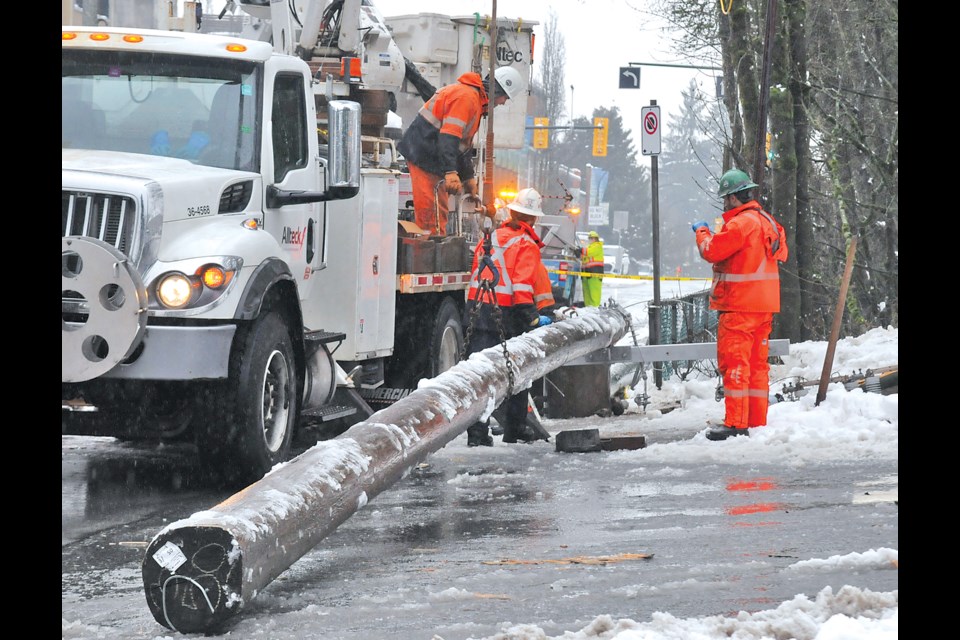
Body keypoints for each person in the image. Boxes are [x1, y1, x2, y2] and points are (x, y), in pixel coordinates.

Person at [692, 169, 789, 441]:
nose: (724, 204)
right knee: (757, 366)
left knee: (735, 364)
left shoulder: (740, 224)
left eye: (725, 198)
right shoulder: (768, 222)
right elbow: (782, 252)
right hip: (764, 306)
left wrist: (701, 232)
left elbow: (711, 250)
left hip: (739, 306)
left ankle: (736, 423)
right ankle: (756, 422)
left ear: (734, 198)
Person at [464, 187, 553, 446]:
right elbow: (522, 286)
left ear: (512, 212)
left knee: (481, 376)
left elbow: (478, 274)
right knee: (517, 372)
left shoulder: (491, 238)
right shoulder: (526, 243)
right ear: (534, 218)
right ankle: (516, 427)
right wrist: (533, 318)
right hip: (508, 315)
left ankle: (477, 434)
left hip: (478, 310)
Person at [397, 66, 525, 236]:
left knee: (437, 214)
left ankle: (431, 246)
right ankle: (426, 251)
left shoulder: (473, 101)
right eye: (504, 98)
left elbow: (461, 147)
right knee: (431, 217)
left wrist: (468, 178)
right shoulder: (466, 99)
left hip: (428, 156)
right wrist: (451, 172)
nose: (503, 103)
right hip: (424, 157)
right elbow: (448, 138)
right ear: (497, 91)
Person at [581, 230, 604, 307]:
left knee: (594, 292)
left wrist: (580, 250)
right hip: (587, 273)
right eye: (589, 238)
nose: (590, 240)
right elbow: (584, 257)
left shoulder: (597, 246)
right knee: (587, 292)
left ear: (595, 239)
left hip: (595, 273)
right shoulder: (590, 247)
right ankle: (588, 308)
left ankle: (595, 308)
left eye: (591, 238)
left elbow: (588, 252)